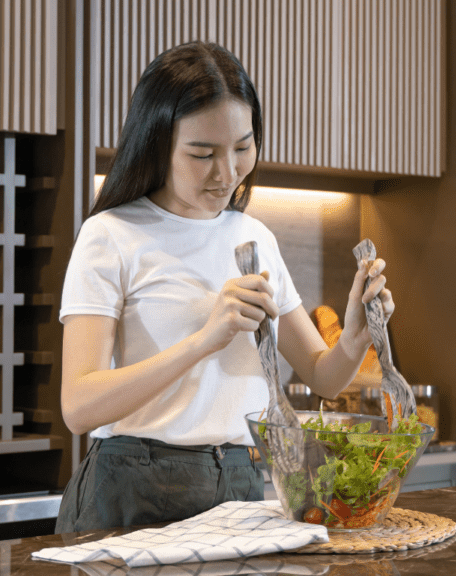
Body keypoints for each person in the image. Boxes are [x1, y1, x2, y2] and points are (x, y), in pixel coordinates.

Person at [53, 41, 394, 534]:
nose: (228, 172)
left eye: (242, 147)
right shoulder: (110, 235)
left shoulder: (254, 236)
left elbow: (323, 377)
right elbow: (79, 406)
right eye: (202, 153)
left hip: (237, 483)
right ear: (157, 142)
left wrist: (356, 335)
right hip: (133, 487)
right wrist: (203, 340)